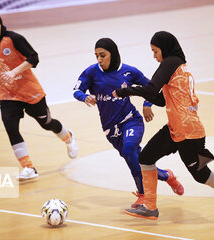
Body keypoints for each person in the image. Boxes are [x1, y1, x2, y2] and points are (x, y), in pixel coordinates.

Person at [114, 31, 214, 220]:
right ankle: (150, 207)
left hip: (189, 133)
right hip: (176, 129)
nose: (154, 56)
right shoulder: (177, 65)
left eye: (155, 51)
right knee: (146, 158)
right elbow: (161, 99)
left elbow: (151, 88)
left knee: (201, 175)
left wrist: (125, 91)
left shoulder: (170, 62)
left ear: (164, 48)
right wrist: (135, 93)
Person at [73, 38, 184, 208]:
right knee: (138, 160)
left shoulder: (129, 72)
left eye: (103, 55)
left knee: (129, 149)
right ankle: (166, 175)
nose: (99, 59)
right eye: (96, 56)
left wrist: (147, 104)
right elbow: (76, 90)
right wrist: (84, 96)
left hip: (131, 120)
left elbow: (153, 88)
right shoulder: (92, 72)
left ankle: (142, 194)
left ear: (113, 54)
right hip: (110, 129)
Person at [0, 12, 78, 180]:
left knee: (46, 123)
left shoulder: (13, 39)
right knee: (11, 128)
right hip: (8, 95)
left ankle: (68, 136)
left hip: (30, 91)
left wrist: (14, 72)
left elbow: (34, 58)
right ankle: (29, 168)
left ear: (0, 23)